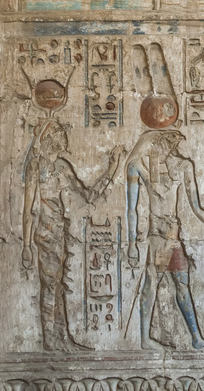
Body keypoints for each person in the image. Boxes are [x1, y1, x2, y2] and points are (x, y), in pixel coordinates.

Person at [126, 129, 204, 349]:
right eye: (161, 143)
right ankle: (145, 339)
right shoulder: (138, 165)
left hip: (173, 237)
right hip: (159, 239)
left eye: (169, 143)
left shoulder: (183, 166)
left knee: (182, 285)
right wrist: (131, 244)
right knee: (152, 284)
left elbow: (197, 209)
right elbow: (131, 209)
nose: (164, 148)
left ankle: (196, 339)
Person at [20, 120, 124, 351]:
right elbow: (28, 211)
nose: (64, 135)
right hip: (46, 235)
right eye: (58, 131)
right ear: (47, 138)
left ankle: (60, 338)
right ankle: (53, 340)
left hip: (58, 233)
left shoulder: (62, 167)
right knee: (51, 287)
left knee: (56, 286)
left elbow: (85, 197)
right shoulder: (36, 167)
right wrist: (26, 245)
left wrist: (111, 169)